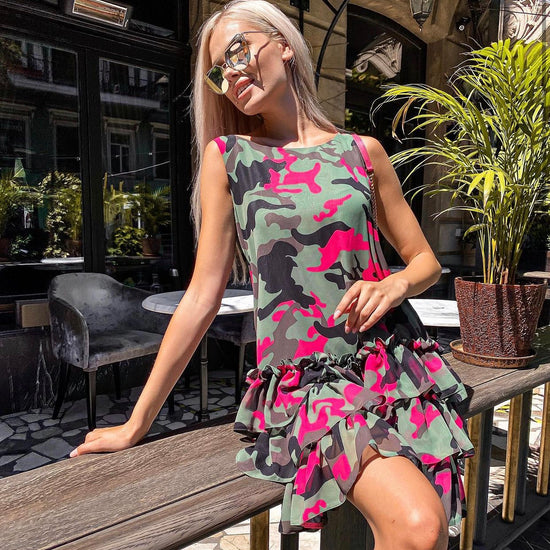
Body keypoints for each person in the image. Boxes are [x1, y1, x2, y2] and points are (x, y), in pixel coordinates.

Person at [70, 1, 473, 547]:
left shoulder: (363, 152)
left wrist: (394, 283)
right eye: (218, 71)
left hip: (394, 365)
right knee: (420, 526)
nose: (231, 74)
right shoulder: (230, 158)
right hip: (309, 381)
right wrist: (137, 422)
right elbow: (202, 295)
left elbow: (425, 260)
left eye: (238, 51)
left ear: (283, 44)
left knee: (427, 525)